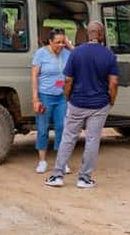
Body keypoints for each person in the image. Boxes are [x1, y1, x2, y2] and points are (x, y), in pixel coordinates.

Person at [44, 21, 119, 189]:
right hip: (99, 105)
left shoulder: (76, 53)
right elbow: (113, 83)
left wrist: (68, 97)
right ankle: (84, 179)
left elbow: (68, 79)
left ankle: (57, 176)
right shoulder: (109, 55)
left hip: (77, 102)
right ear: (101, 35)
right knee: (92, 140)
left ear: (88, 34)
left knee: (68, 138)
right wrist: (111, 100)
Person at [31, 28, 71, 173]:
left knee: (62, 127)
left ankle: (61, 161)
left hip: (61, 97)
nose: (60, 45)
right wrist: (35, 98)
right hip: (45, 96)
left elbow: (78, 57)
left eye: (63, 42)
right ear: (50, 42)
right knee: (43, 128)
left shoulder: (67, 54)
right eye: (57, 42)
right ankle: (42, 161)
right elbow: (34, 76)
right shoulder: (41, 53)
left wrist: (69, 45)